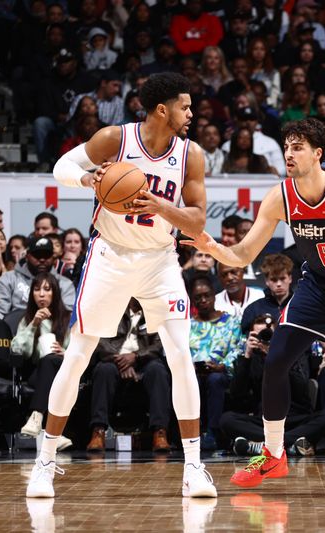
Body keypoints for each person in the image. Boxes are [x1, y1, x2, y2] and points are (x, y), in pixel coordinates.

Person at [183, 118, 325, 493]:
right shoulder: (280, 197)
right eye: (286, 147)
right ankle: (274, 455)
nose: (289, 154)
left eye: (298, 147)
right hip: (318, 286)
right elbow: (244, 254)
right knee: (275, 360)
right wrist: (213, 248)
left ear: (318, 154)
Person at [27, 72, 217, 498]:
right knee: (77, 354)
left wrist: (161, 205)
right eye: (185, 107)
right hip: (109, 254)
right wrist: (90, 179)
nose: (192, 114)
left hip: (160, 260)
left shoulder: (192, 155)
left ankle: (194, 467)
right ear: (162, 109)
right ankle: (45, 461)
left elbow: (198, 219)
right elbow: (62, 166)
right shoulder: (116, 138)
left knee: (180, 354)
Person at [222, 314, 325, 456]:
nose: (265, 339)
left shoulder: (294, 353)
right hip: (264, 421)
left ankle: (262, 445)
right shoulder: (251, 358)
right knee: (227, 419)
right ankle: (291, 444)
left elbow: (301, 388)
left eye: (268, 334)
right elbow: (236, 394)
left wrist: (277, 358)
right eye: (260, 335)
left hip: (297, 419)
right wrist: (247, 356)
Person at [86, 298, 173, 454]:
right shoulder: (112, 308)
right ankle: (98, 432)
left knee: (158, 370)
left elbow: (160, 343)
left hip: (144, 361)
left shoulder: (156, 311)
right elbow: (99, 339)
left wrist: (136, 357)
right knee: (103, 370)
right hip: (113, 360)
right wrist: (121, 360)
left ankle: (160, 432)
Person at [12, 273, 73, 452]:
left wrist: (65, 353)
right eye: (37, 289)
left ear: (55, 294)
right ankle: (52, 431)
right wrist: (34, 324)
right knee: (47, 361)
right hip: (38, 373)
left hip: (64, 371)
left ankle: (38, 418)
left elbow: (79, 351)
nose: (41, 294)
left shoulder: (67, 319)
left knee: (53, 360)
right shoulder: (28, 319)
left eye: (47, 289)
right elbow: (18, 350)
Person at [189, 274, 245, 450]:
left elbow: (238, 348)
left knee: (215, 379)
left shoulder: (231, 322)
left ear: (214, 295)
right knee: (191, 382)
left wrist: (223, 365)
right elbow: (178, 351)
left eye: (207, 295)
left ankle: (213, 432)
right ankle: (192, 432)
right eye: (198, 298)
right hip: (193, 374)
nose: (203, 300)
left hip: (222, 372)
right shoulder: (187, 325)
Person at [0, 237, 76, 319]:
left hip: (53, 332)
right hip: (14, 332)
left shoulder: (64, 284)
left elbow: (68, 316)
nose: (42, 259)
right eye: (37, 255)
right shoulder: (8, 279)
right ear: (27, 256)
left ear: (53, 257)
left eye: (46, 255)